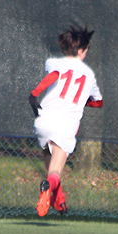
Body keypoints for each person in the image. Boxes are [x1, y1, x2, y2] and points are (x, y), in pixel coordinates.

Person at [28, 26, 102, 217]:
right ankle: (48, 189)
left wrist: (35, 93)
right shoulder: (89, 74)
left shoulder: (52, 63)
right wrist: (84, 100)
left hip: (44, 121)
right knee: (55, 172)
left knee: (49, 160)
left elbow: (53, 77)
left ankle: (59, 201)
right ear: (81, 51)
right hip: (65, 125)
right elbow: (98, 102)